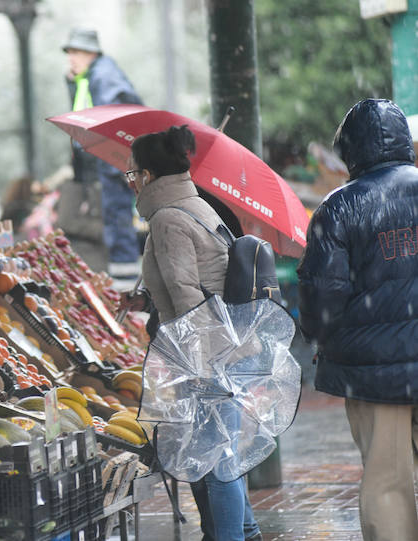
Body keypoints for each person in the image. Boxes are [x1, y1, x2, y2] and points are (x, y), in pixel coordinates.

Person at [117, 126, 262, 541]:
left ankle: (232, 536)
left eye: (131, 175)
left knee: (216, 462)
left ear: (147, 176)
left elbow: (186, 298)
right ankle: (245, 530)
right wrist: (145, 302)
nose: (129, 182)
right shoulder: (195, 205)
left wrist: (196, 369)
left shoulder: (166, 220)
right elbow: (202, 278)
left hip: (203, 353)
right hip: (222, 343)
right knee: (220, 453)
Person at [297, 98, 418, 541]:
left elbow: (322, 300)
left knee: (387, 482)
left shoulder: (339, 207)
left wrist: (318, 335)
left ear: (350, 150)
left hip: (373, 372)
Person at [63, 27, 143, 282]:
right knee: (114, 218)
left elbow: (112, 117)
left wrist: (119, 162)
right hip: (109, 163)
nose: (71, 58)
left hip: (113, 164)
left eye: (75, 52)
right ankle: (122, 276)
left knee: (117, 219)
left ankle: (124, 282)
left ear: (91, 53)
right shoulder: (92, 76)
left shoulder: (104, 76)